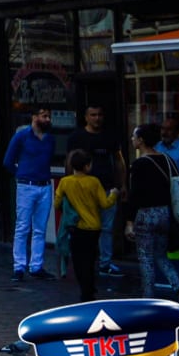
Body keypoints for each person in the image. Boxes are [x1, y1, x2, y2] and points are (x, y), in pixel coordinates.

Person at [127, 124, 179, 301]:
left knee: (145, 257)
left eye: (134, 136)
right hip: (164, 213)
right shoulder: (167, 160)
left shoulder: (139, 164)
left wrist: (129, 221)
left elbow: (135, 194)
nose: (132, 139)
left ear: (141, 140)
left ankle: (148, 296)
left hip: (145, 214)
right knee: (161, 255)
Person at [54, 148, 117, 303]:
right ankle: (90, 288)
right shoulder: (94, 182)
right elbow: (104, 203)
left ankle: (84, 289)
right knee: (90, 259)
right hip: (93, 226)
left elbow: (57, 204)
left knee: (78, 259)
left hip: (75, 227)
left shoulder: (65, 182)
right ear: (88, 166)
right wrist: (114, 193)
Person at [2, 107, 57, 282]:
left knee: (39, 228)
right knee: (23, 227)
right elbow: (8, 161)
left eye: (49, 116)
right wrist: (21, 175)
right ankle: (19, 266)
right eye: (44, 116)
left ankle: (36, 265)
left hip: (45, 185)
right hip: (27, 185)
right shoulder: (22, 136)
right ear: (34, 117)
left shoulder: (50, 138)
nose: (47, 119)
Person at [75, 105, 126, 277]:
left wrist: (122, 184)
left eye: (100, 114)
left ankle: (105, 262)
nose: (97, 118)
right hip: (84, 190)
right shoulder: (78, 137)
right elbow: (70, 161)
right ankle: (86, 261)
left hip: (107, 187)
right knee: (86, 227)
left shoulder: (109, 137)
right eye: (93, 115)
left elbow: (119, 161)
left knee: (106, 227)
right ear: (86, 117)